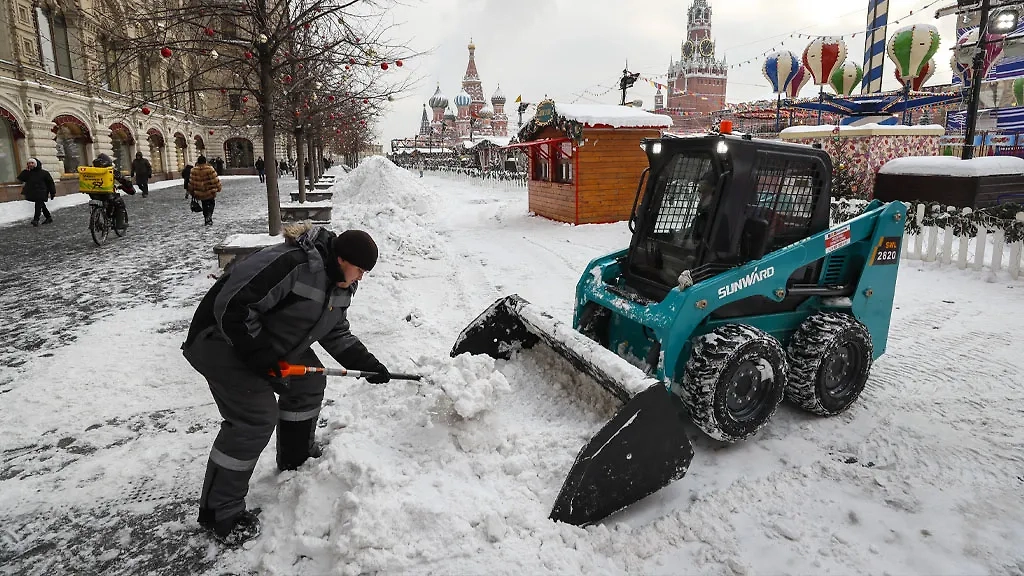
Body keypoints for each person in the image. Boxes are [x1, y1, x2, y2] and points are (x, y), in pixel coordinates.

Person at [180, 224, 390, 546]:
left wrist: (368, 365)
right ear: (342, 258)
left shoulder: (340, 286)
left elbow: (334, 332)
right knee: (254, 417)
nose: (361, 277)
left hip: (263, 341)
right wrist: (261, 358)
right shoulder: (293, 263)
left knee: (309, 380)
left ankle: (295, 456)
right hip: (219, 339)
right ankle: (219, 513)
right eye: (359, 269)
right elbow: (232, 308)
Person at [17, 158, 56, 227]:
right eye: (29, 163)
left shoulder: (44, 173)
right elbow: (20, 179)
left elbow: (50, 183)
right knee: (41, 205)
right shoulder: (28, 173)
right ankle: (48, 217)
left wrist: (52, 192)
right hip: (33, 192)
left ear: (36, 164)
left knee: (38, 205)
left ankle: (36, 220)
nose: (30, 164)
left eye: (32, 163)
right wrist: (26, 171)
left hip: (42, 191)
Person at [188, 156, 222, 226]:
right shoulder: (209, 169)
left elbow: (191, 182)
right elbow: (215, 179)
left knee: (204, 205)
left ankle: (206, 219)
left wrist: (191, 191)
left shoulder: (193, 170)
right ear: (205, 161)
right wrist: (218, 188)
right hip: (210, 191)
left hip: (200, 192)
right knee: (212, 203)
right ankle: (209, 216)